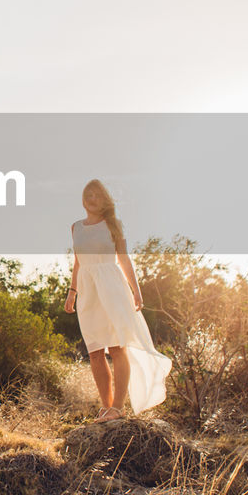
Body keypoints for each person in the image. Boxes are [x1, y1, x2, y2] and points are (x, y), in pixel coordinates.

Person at [64, 179, 171, 420]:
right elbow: (79, 262)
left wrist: (136, 289)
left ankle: (118, 407)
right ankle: (106, 405)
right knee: (94, 350)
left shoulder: (114, 225)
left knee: (116, 346)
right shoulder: (75, 227)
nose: (92, 198)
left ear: (105, 200)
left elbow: (123, 259)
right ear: (83, 198)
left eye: (97, 195)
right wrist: (72, 292)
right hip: (88, 289)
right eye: (88, 194)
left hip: (112, 286)